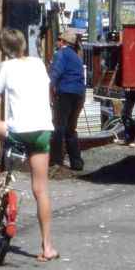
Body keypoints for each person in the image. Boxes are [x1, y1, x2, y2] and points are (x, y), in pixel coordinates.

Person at [0, 28, 59, 262]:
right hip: (43, 132)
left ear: (3, 48)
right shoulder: (37, 64)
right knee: (41, 190)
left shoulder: (6, 68)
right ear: (24, 44)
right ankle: (47, 247)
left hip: (17, 131)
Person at [49, 32, 85, 171]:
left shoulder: (61, 54)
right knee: (70, 129)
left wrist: (47, 89)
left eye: (59, 39)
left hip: (65, 93)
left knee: (58, 127)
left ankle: (56, 161)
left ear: (64, 42)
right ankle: (77, 162)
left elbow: (54, 74)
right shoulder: (76, 57)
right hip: (79, 94)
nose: (57, 42)